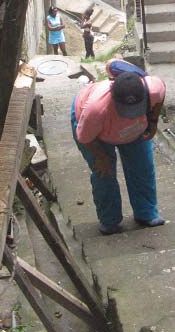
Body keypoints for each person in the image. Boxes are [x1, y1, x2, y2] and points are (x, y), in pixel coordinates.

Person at [71, 59, 166, 235]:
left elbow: (161, 94)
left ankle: (146, 214)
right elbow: (84, 137)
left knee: (142, 167)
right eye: (126, 111)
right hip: (95, 134)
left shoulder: (152, 88)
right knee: (104, 173)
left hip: (134, 132)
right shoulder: (95, 110)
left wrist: (153, 122)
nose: (130, 116)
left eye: (136, 108)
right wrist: (101, 157)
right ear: (113, 99)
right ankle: (110, 220)